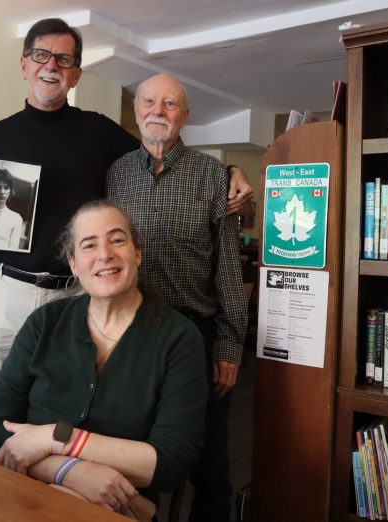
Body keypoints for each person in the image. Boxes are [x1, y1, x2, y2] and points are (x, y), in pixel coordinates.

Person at [0, 18, 254, 404]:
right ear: (24, 65)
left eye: (63, 59)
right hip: (2, 289)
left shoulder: (100, 132)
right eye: (41, 55)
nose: (51, 66)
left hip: (73, 295)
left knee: (59, 400)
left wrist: (230, 172)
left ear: (75, 75)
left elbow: (159, 147)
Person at [0, 201, 207, 519]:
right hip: (22, 493)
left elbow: (170, 462)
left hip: (116, 507)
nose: (104, 254)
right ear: (73, 263)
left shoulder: (179, 338)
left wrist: (55, 438)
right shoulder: (45, 322)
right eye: (89, 245)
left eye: (117, 240)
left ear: (137, 253)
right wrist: (67, 470)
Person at [106, 73, 247, 522]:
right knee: (127, 448)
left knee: (209, 460)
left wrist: (229, 345)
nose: (157, 111)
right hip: (131, 331)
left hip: (195, 333)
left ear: (185, 116)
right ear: (136, 111)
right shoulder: (115, 174)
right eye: (148, 102)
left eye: (170, 104)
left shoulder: (212, 176)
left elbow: (228, 267)